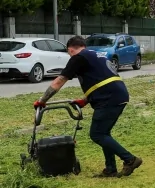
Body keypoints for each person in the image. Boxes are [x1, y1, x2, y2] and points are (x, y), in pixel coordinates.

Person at [34, 35, 142, 178]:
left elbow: (60, 80)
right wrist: (85, 100)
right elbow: (100, 79)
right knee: (104, 133)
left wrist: (42, 100)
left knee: (97, 134)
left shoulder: (78, 57)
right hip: (118, 94)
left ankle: (130, 159)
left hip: (109, 98)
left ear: (70, 49)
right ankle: (111, 169)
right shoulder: (96, 55)